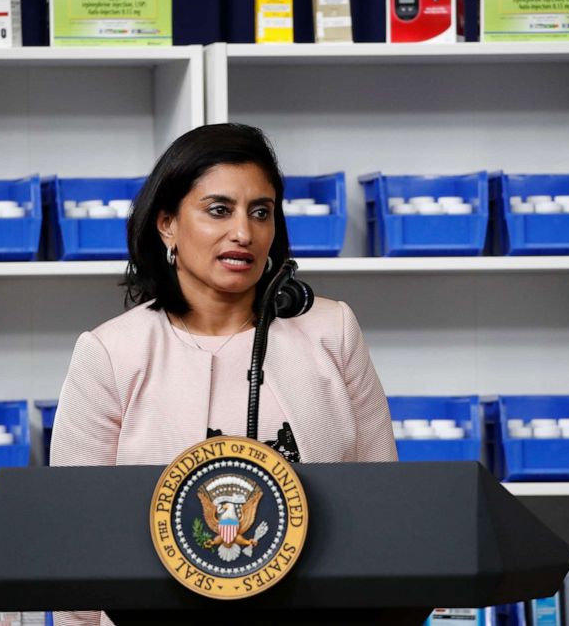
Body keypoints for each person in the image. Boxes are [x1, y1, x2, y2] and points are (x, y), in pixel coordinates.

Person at [50, 123, 396, 626]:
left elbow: (384, 508)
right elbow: (75, 545)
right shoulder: (109, 352)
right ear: (167, 223)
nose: (244, 232)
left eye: (261, 212)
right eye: (219, 210)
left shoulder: (332, 330)